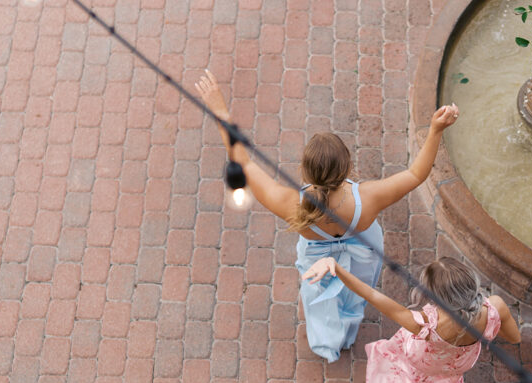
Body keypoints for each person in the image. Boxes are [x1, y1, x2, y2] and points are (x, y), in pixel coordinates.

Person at [193, 70, 459, 362]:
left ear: (305, 172)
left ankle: (327, 339)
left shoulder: (291, 204)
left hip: (317, 259)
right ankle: (349, 331)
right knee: (356, 294)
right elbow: (416, 174)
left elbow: (241, 160)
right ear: (347, 168)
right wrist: (435, 130)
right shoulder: (367, 198)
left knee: (321, 302)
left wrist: (218, 106)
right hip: (363, 255)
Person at [302, 256, 521, 383]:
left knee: (412, 373)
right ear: (471, 285)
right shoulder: (495, 308)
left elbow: (372, 295)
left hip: (423, 362)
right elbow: (514, 338)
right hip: (460, 363)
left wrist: (337, 269)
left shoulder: (425, 323)